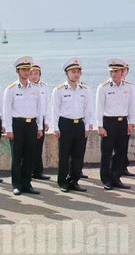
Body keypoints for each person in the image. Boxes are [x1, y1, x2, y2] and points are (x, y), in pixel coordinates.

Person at [3, 56, 43, 196]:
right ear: (17, 71)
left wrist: (39, 127)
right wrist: (8, 129)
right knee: (17, 156)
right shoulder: (11, 89)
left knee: (30, 155)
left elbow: (39, 109)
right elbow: (6, 110)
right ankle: (16, 184)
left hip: (31, 124)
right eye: (23, 70)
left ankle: (27, 183)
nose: (26, 72)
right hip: (17, 125)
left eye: (28, 69)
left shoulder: (35, 88)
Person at [52, 58, 93, 193]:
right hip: (65, 124)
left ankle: (74, 181)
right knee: (64, 155)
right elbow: (55, 110)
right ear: (66, 73)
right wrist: (56, 127)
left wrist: (87, 126)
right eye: (73, 71)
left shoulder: (85, 90)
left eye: (78, 71)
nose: (76, 74)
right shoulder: (59, 90)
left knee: (78, 156)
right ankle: (62, 181)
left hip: (79, 125)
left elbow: (88, 110)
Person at [96, 58, 134, 190]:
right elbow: (99, 108)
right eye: (112, 71)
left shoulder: (129, 86)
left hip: (122, 122)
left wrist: (131, 123)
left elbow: (131, 106)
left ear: (122, 71)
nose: (114, 74)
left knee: (121, 152)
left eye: (117, 71)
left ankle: (116, 177)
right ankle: (106, 179)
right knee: (106, 152)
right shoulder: (104, 87)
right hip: (109, 122)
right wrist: (100, 126)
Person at [29, 61, 51, 180]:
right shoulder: (27, 87)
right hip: (31, 120)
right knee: (29, 147)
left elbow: (46, 105)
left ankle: (38, 171)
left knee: (39, 147)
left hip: (41, 120)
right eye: (32, 73)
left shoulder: (44, 87)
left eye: (36, 73)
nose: (34, 76)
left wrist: (46, 121)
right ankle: (29, 171)